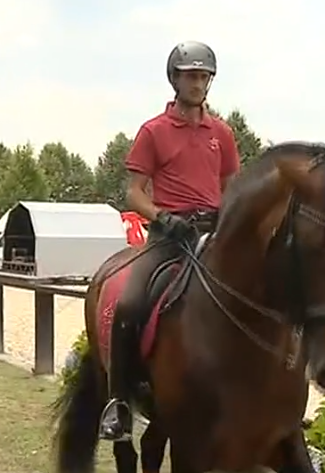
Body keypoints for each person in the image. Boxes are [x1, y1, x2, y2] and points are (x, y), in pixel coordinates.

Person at [98, 41, 241, 442]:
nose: (197, 83)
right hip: (167, 237)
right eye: (190, 76)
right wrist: (162, 216)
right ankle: (119, 403)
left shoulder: (222, 134)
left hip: (211, 234)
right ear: (175, 79)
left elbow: (231, 188)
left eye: (203, 76)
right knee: (130, 301)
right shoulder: (153, 132)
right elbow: (134, 192)